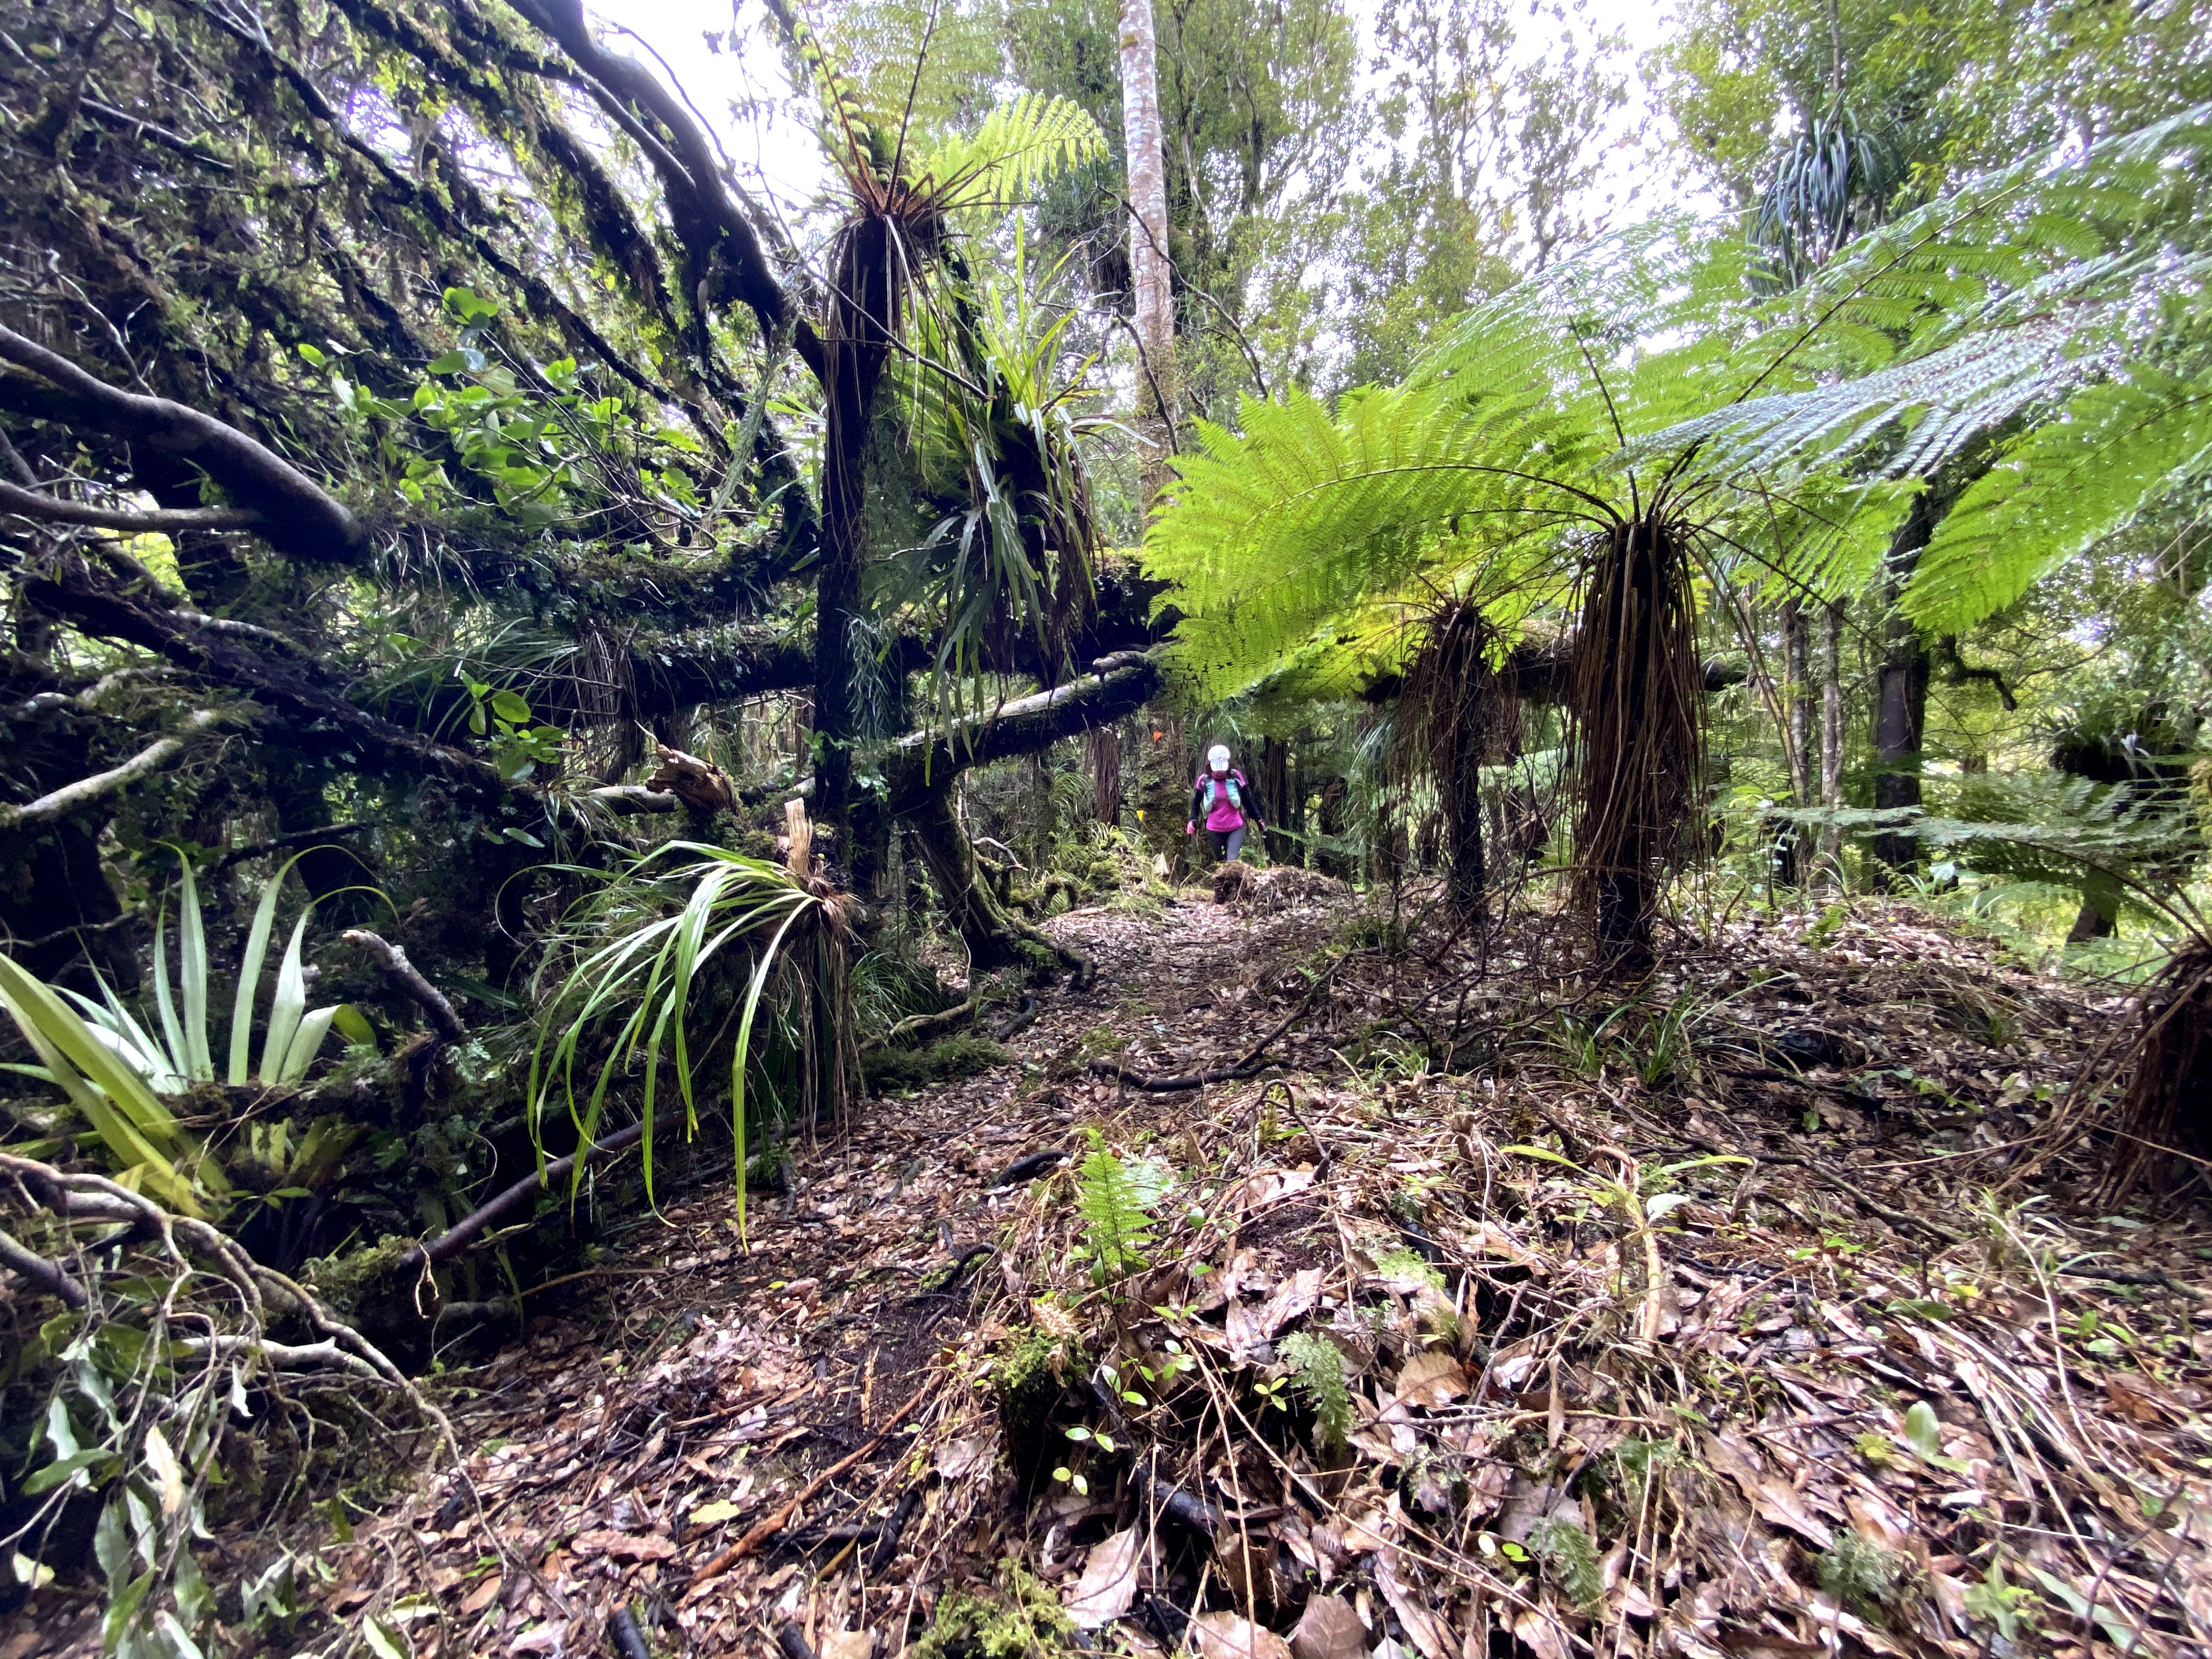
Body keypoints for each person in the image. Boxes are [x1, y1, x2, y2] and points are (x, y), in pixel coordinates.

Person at [1186, 743, 1263, 863]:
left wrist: (1258, 819)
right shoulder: (1204, 781)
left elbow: (1248, 800)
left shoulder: (1235, 777)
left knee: (1232, 861)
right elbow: (1197, 802)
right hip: (1214, 829)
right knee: (1220, 862)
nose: (1220, 772)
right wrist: (1192, 820)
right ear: (1211, 767)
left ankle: (1236, 881)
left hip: (1235, 828)